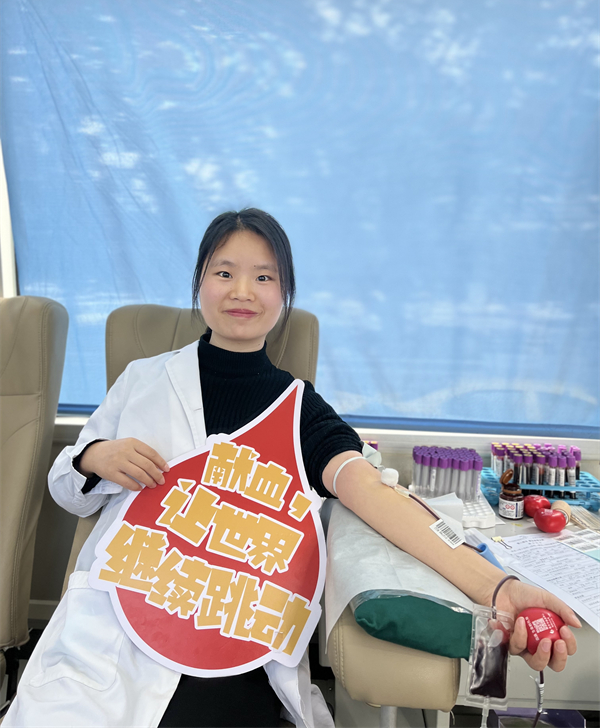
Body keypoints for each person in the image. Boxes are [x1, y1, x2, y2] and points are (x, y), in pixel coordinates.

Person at [4, 208, 579, 728]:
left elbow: (375, 495)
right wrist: (93, 457)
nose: (242, 291)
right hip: (119, 622)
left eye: (264, 277)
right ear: (200, 282)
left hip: (233, 629)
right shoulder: (143, 379)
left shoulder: (299, 409)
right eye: (224, 272)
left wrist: (498, 587)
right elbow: (68, 489)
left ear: (284, 295)